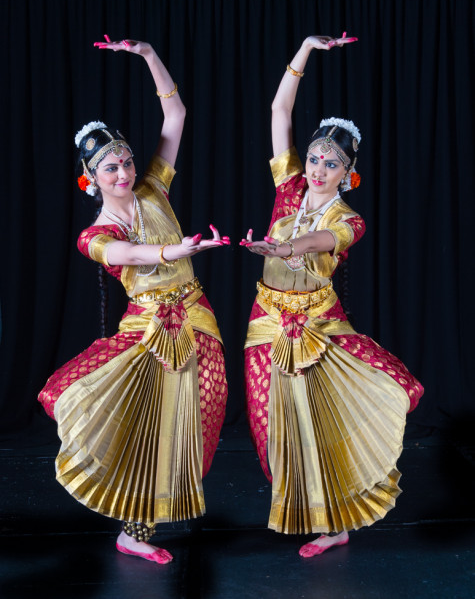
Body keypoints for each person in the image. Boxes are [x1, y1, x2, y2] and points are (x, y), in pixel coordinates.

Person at [38, 37, 229, 565]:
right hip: (147, 334)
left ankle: (149, 522)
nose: (124, 174)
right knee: (147, 426)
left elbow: (176, 112)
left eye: (125, 161)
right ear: (90, 179)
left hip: (195, 319)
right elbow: (127, 252)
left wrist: (147, 55)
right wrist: (178, 247)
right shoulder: (95, 232)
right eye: (111, 170)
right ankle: (134, 530)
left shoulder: (153, 190)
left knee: (190, 421)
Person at [240, 34, 424, 557]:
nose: (318, 168)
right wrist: (304, 50)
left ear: (348, 172)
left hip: (319, 327)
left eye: (330, 163)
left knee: (321, 422)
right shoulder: (289, 189)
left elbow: (321, 241)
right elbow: (280, 109)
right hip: (266, 321)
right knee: (269, 423)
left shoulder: (349, 219)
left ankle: (335, 523)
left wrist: (284, 244)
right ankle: (299, 505)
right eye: (315, 157)